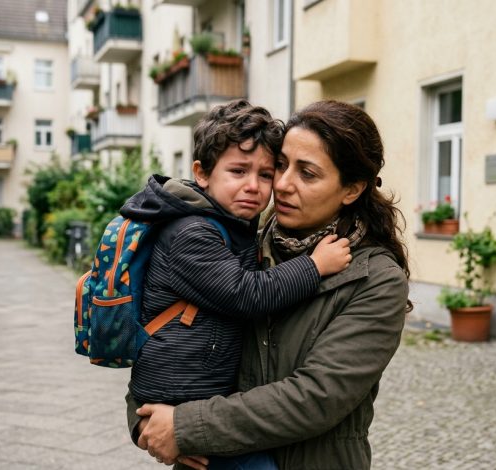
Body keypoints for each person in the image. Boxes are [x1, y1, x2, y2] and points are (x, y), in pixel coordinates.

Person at [132, 100, 412, 470]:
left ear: (351, 189)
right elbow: (164, 337)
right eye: (280, 165)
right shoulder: (240, 240)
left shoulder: (375, 279)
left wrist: (184, 427)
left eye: (307, 174)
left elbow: (315, 398)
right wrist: (145, 419)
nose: (280, 184)